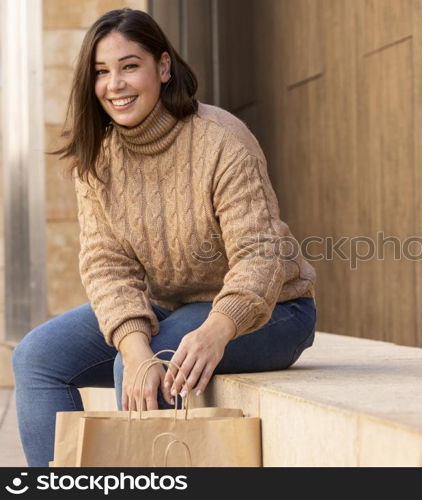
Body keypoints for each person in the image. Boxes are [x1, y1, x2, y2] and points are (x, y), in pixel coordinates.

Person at [11, 8, 317, 467]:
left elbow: (260, 255)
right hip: (171, 308)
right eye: (101, 72)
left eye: (129, 66)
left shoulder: (220, 140)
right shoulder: (98, 158)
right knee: (38, 356)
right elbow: (106, 266)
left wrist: (216, 329)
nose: (115, 84)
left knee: (153, 361)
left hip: (271, 311)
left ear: (163, 67)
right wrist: (133, 346)